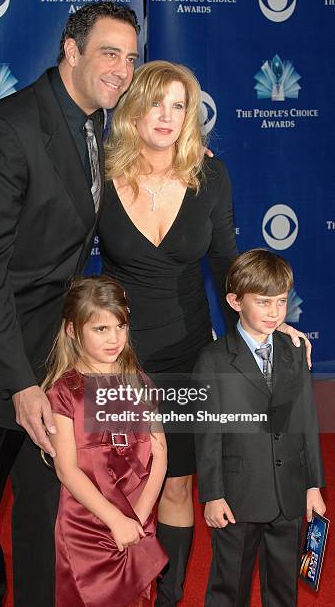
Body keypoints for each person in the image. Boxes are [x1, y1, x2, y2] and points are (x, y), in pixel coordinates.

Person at [0, 3, 139, 606]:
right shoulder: (9, 130)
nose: (121, 70)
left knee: (45, 512)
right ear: (70, 51)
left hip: (46, 356)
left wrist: (183, 163)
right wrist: (20, 384)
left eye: (129, 58)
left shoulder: (93, 123)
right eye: (108, 53)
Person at [98, 60, 312, 606]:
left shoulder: (209, 175)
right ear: (132, 108)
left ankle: (166, 599)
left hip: (188, 353)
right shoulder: (98, 170)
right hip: (117, 357)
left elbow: (224, 263)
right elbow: (56, 244)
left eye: (180, 106)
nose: (167, 117)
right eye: (156, 103)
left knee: (176, 482)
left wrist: (269, 321)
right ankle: (114, 591)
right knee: (114, 483)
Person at [194, 249, 326, 606]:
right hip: (237, 496)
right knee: (228, 588)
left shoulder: (294, 350)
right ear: (235, 301)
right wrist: (212, 494)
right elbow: (207, 435)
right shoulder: (214, 359)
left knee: (283, 590)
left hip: (290, 494)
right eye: (264, 302)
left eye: (281, 302)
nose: (274, 312)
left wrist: (314, 485)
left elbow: (306, 420)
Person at [43, 275, 168, 607]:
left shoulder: (141, 384)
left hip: (138, 514)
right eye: (101, 329)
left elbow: (160, 455)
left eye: (121, 326)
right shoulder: (65, 393)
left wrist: (138, 517)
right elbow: (67, 470)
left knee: (139, 599)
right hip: (87, 523)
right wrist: (115, 520)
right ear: (73, 330)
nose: (114, 338)